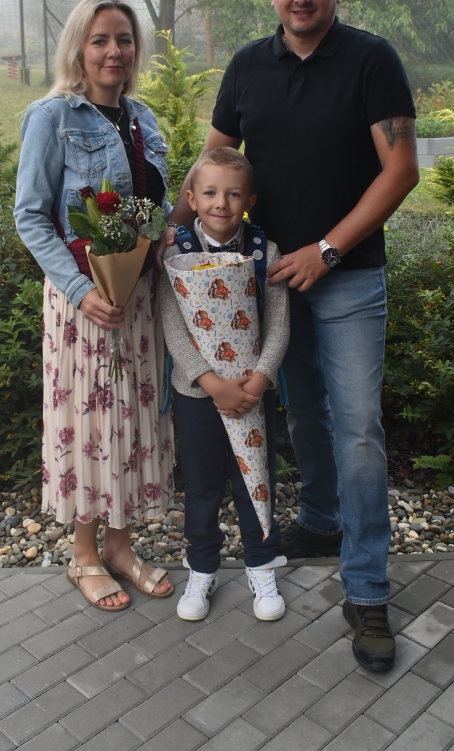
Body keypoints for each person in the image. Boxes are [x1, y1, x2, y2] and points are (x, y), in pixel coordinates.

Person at [166, 0, 419, 670]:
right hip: (264, 283)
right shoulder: (248, 65)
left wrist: (327, 251)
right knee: (301, 411)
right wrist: (166, 240)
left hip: (346, 277)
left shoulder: (371, 60)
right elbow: (208, 166)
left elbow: (401, 168)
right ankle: (319, 520)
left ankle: (366, 589)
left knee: (358, 429)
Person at [14, 0, 178, 611]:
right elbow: (32, 217)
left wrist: (164, 237)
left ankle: (119, 545)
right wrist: (82, 291)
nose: (115, 51)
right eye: (101, 40)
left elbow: (151, 205)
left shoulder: (143, 120)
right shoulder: (50, 117)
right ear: (79, 49)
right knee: (88, 425)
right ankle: (83, 554)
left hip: (137, 302)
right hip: (83, 305)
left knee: (130, 423)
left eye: (125, 40)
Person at [160, 147, 290, 622]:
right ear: (191, 198)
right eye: (210, 193)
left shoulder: (264, 251)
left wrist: (260, 379)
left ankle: (262, 565)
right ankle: (202, 568)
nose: (221, 203)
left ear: (249, 200)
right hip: (198, 395)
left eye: (233, 194)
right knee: (203, 483)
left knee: (256, 479)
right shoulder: (175, 254)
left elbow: (278, 323)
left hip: (253, 393)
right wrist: (211, 382)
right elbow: (173, 325)